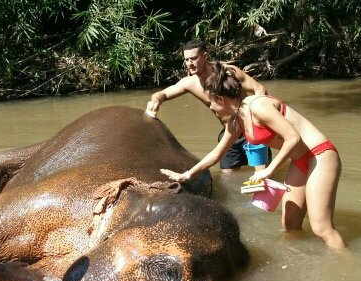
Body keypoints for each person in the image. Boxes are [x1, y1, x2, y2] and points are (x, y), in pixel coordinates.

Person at [160, 62, 346, 249]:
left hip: (320, 155)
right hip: (300, 161)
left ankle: (345, 265)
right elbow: (218, 153)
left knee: (322, 228)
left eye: (211, 103)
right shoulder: (235, 122)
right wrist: (187, 174)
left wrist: (268, 171)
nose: (212, 108)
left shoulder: (258, 106)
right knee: (290, 225)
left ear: (220, 99)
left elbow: (293, 138)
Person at [146, 40, 271, 171]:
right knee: (228, 179)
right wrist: (155, 100)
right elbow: (163, 94)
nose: (190, 63)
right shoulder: (190, 83)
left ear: (205, 56)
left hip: (250, 130)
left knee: (263, 179)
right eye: (187, 60)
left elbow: (260, 89)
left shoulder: (228, 72)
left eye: (193, 58)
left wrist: (256, 121)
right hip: (229, 134)